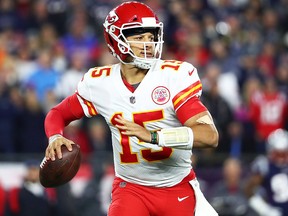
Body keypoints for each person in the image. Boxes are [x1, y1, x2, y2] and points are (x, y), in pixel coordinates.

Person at [44, 1, 219, 216]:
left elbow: (209, 136)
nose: (148, 44)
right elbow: (58, 114)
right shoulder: (101, 82)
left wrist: (154, 136)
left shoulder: (174, 76)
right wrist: (55, 137)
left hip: (176, 187)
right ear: (116, 40)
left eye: (151, 36)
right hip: (131, 189)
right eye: (139, 37)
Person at [244, 129, 288, 216]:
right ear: (270, 151)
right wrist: (264, 209)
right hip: (275, 210)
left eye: (284, 153)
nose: (281, 158)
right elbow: (248, 190)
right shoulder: (265, 165)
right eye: (278, 153)